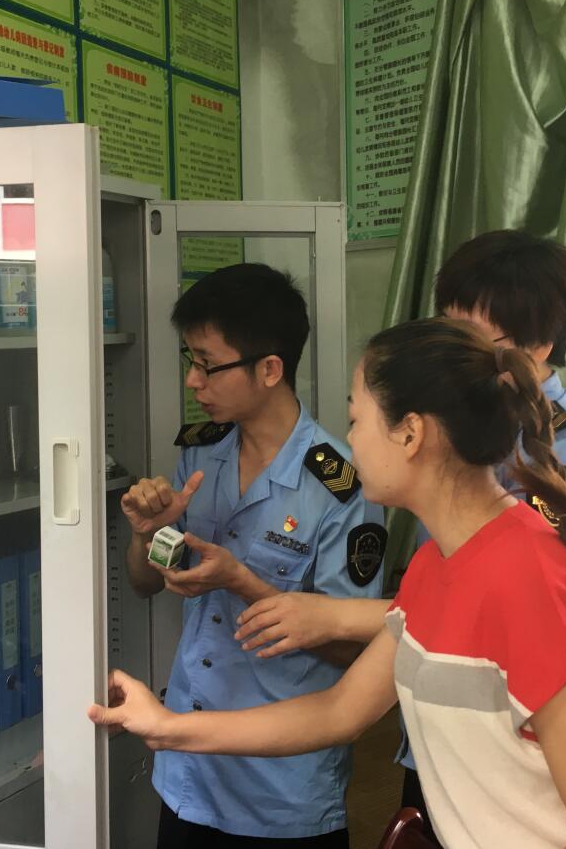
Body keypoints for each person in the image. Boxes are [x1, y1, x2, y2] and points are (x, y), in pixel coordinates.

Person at [93, 318, 566, 849]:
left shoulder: (530, 584)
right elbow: (339, 711)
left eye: (356, 419)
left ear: (410, 433)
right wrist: (167, 727)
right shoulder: (440, 563)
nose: (349, 440)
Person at [232, 231, 566, 834]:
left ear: (540, 343)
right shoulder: (456, 426)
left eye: (474, 337)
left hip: (517, 751)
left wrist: (336, 617)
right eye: (446, 327)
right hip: (446, 723)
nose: (450, 351)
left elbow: (515, 615)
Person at [119, 262, 387, 847]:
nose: (193, 381)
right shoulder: (200, 454)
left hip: (279, 789)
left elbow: (354, 651)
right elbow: (144, 583)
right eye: (190, 360)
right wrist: (146, 535)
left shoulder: (342, 486)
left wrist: (242, 580)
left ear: (270, 369)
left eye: (207, 364)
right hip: (188, 769)